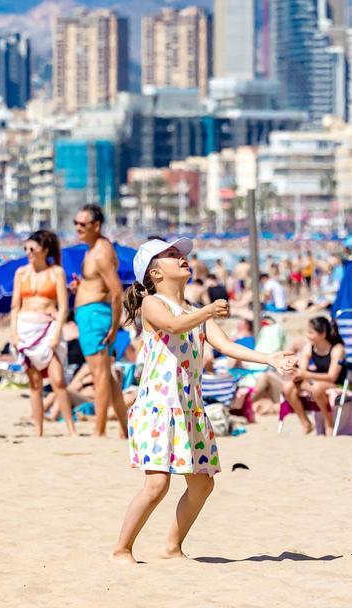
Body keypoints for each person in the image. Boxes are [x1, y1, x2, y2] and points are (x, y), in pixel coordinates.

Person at [111, 237, 296, 563]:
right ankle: (121, 549)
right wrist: (209, 310)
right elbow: (173, 325)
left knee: (202, 484)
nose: (182, 257)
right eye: (171, 255)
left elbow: (226, 346)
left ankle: (171, 547)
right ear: (154, 273)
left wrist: (268, 358)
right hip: (158, 406)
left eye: (180, 254)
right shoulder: (153, 304)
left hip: (188, 407)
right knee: (156, 485)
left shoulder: (195, 313)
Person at [9, 230, 76, 436]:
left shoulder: (56, 272)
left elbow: (63, 307)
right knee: (34, 382)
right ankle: (38, 430)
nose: (28, 252)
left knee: (58, 380)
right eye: (25, 248)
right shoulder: (21, 273)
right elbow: (15, 306)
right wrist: (13, 333)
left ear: (45, 250)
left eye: (32, 248)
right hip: (25, 327)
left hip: (48, 327)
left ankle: (71, 429)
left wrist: (56, 334)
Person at [72, 204, 129, 438]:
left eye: (83, 224)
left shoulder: (101, 252)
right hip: (91, 315)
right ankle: (125, 429)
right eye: (76, 223)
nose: (78, 228)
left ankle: (100, 429)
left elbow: (116, 292)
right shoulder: (92, 249)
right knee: (106, 376)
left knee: (100, 375)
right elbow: (99, 285)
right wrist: (81, 286)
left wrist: (114, 327)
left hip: (96, 316)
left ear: (97, 226)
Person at [282, 315, 345, 434]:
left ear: (322, 334)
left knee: (316, 387)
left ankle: (329, 423)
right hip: (315, 382)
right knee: (288, 387)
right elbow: (302, 371)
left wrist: (306, 375)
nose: (307, 335)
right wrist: (294, 371)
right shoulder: (309, 348)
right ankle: (305, 423)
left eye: (311, 332)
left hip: (336, 384)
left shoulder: (337, 349)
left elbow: (332, 377)